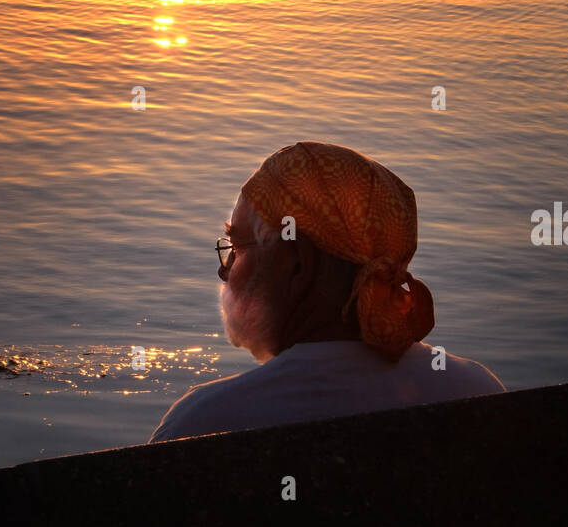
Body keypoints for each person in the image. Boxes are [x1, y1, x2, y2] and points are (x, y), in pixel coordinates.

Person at [149, 142, 505, 443]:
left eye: (237, 248)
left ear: (296, 265)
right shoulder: (476, 389)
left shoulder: (204, 423)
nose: (224, 272)